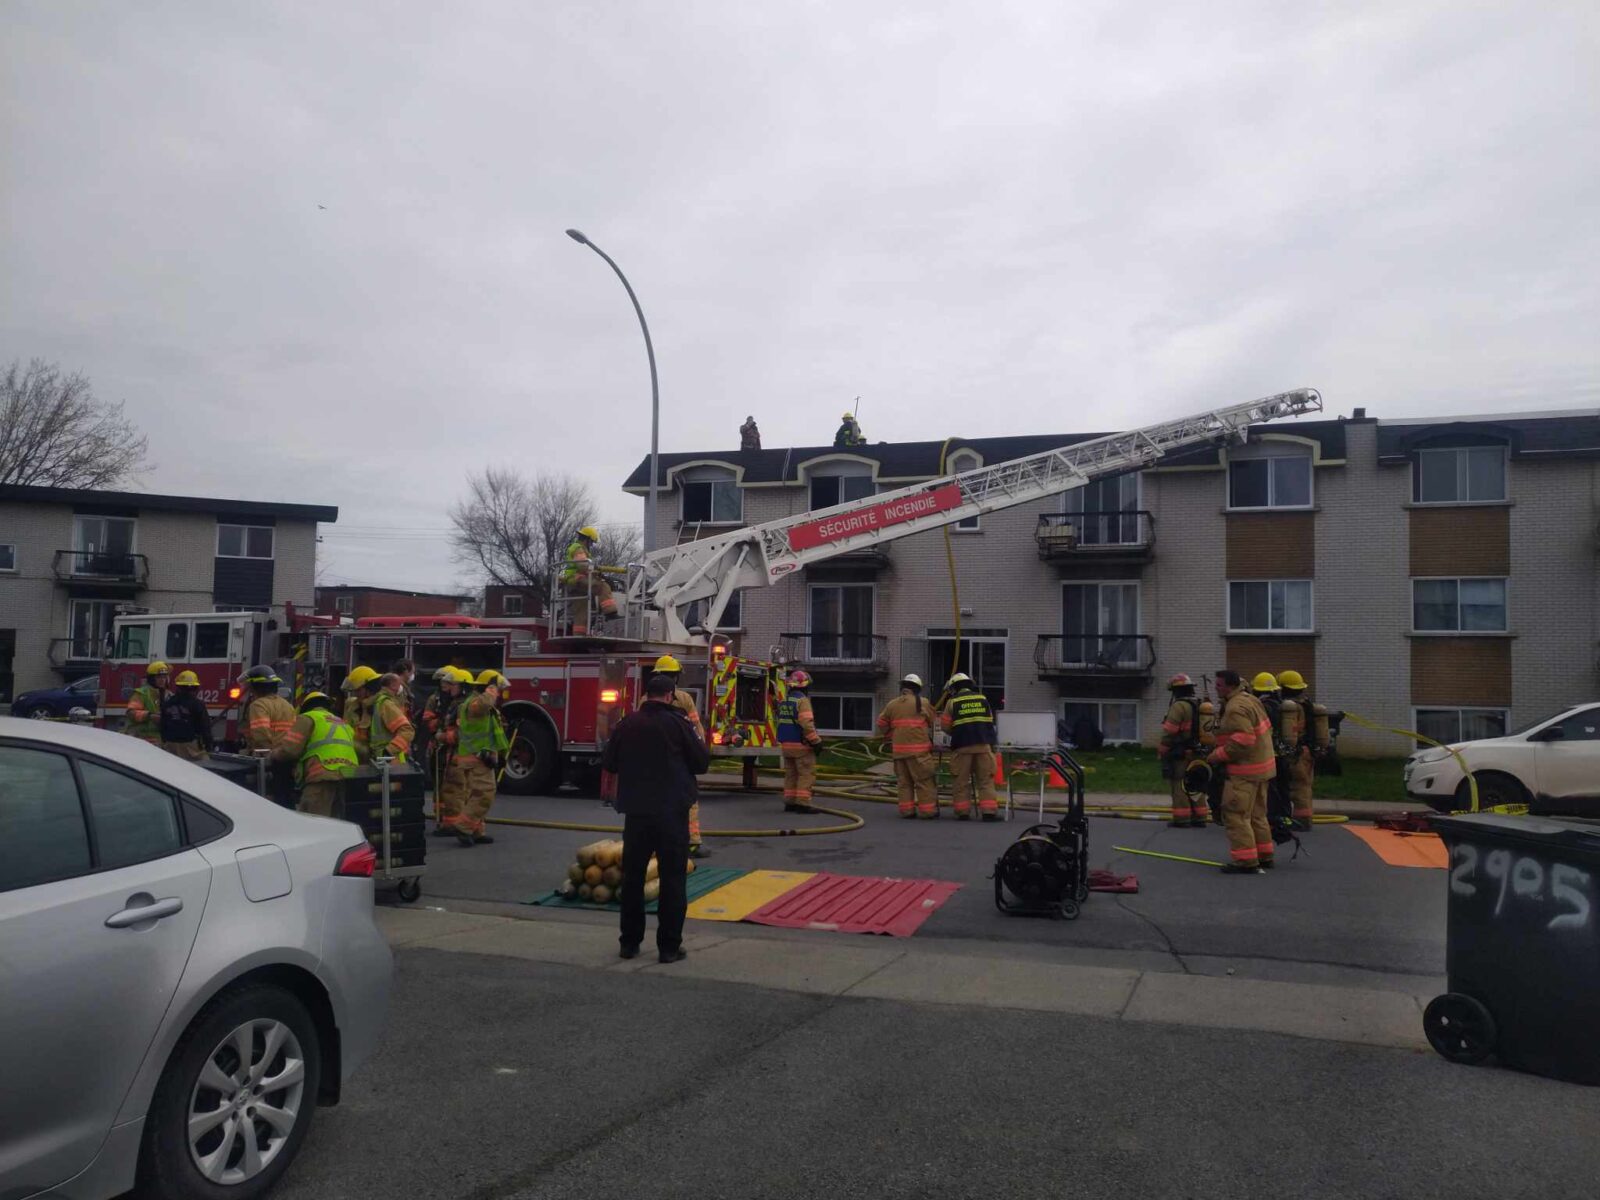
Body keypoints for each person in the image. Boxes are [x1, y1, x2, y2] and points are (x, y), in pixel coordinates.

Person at [603, 671, 710, 964]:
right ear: (669, 695)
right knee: (673, 880)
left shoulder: (628, 724)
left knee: (633, 879)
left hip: (636, 814)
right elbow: (701, 763)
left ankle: (629, 943)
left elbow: (609, 761)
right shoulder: (679, 724)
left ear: (648, 695)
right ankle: (669, 947)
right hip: (671, 815)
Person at [1207, 669, 1276, 874]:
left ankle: (1245, 861)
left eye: (1218, 685)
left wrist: (1217, 755)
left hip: (1243, 771)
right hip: (1262, 768)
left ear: (1229, 685)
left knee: (1235, 815)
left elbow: (1244, 741)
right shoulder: (1250, 699)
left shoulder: (1235, 708)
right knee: (1257, 815)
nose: (1215, 688)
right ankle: (1265, 856)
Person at [650, 655, 710, 857]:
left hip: (655, 761)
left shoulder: (646, 698)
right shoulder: (684, 698)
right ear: (676, 677)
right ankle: (692, 843)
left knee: (657, 800)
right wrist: (700, 752)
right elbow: (696, 729)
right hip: (680, 760)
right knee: (688, 800)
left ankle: (658, 842)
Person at [272, 691, 359, 817]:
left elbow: (289, 750)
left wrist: (273, 754)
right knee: (338, 822)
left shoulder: (308, 718)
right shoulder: (342, 722)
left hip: (321, 777)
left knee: (312, 820)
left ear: (307, 706)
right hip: (347, 777)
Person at [451, 669, 509, 847]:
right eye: (496, 689)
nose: (498, 693)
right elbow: (484, 705)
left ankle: (476, 831)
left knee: (474, 794)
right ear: (487, 687)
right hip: (476, 757)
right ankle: (463, 827)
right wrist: (491, 688)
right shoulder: (477, 702)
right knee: (485, 794)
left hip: (479, 757)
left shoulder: (476, 701)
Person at [876, 673, 940, 818]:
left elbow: (881, 723)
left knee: (904, 783)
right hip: (919, 753)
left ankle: (907, 811)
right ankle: (927, 811)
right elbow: (932, 720)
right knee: (924, 781)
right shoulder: (922, 702)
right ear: (917, 688)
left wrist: (889, 734)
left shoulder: (892, 704)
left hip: (899, 752)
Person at [939, 673, 999, 820]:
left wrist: (957, 732)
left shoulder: (952, 702)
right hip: (983, 746)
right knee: (985, 780)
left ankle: (963, 812)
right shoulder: (982, 698)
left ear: (954, 687)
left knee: (961, 781)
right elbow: (990, 722)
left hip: (962, 747)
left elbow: (945, 726)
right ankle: (989, 812)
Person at [1157, 674, 1208, 827]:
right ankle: (1200, 818)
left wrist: (1162, 749)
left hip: (1181, 753)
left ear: (1176, 691)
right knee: (1196, 783)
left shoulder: (1179, 706)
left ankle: (1182, 819)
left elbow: (1170, 731)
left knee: (1179, 784)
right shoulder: (1200, 705)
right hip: (1199, 753)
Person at [1277, 669, 1322, 830]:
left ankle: (1301, 820)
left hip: (1295, 753)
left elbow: (1286, 732)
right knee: (1305, 785)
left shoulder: (1289, 708)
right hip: (1308, 751)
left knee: (1297, 787)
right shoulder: (1307, 705)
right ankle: (1304, 817)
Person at [423, 666, 465, 835]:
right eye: (443, 682)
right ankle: (441, 819)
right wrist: (438, 727)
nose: (445, 686)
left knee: (451, 787)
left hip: (451, 749)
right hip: (438, 748)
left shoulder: (457, 703)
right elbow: (428, 721)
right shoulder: (435, 700)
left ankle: (451, 821)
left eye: (448, 683)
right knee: (439, 785)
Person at [776, 668, 823, 815]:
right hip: (801, 747)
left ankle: (790, 802)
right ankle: (803, 803)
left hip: (786, 745)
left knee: (791, 774)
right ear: (805, 686)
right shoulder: (802, 701)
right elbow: (806, 723)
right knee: (805, 774)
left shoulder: (784, 701)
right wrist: (816, 741)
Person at [561, 525, 619, 634]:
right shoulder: (578, 549)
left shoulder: (574, 547)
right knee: (602, 586)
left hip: (572, 583)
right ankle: (610, 613)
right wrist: (600, 575)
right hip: (578, 578)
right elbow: (583, 566)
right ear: (586, 539)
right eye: (591, 542)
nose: (591, 545)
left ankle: (578, 637)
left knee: (581, 612)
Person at [160, 671, 214, 761]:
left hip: (170, 747)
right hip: (191, 747)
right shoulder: (197, 704)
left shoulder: (168, 703)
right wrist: (209, 745)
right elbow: (205, 726)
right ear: (195, 687)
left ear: (178, 686)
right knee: (205, 769)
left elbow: (162, 725)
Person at [367, 672, 415, 762]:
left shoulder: (379, 701)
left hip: (385, 759)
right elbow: (407, 730)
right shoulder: (387, 704)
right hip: (391, 761)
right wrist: (389, 751)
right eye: (399, 684)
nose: (401, 687)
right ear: (393, 685)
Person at [123, 661, 170, 743]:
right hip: (140, 740)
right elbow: (131, 713)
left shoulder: (169, 695)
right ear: (151, 678)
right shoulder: (141, 693)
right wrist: (149, 716)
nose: (162, 680)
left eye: (164, 677)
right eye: (159, 677)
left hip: (160, 742)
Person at [341, 665, 379, 761]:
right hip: (356, 758)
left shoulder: (382, 706)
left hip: (378, 760)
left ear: (370, 687)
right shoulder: (351, 705)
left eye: (358, 690)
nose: (356, 694)